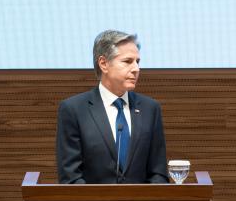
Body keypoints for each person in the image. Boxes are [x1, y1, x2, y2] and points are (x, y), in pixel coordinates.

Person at [56, 30, 169, 184]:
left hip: (142, 200)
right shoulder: (74, 110)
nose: (136, 69)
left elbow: (158, 173)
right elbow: (71, 177)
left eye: (137, 61)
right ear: (104, 63)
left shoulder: (150, 108)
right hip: (91, 200)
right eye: (127, 61)